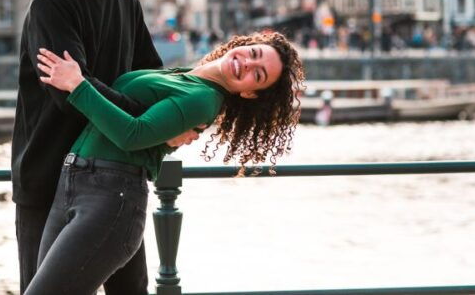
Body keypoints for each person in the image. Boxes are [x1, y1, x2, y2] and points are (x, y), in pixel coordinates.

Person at [12, 0, 199, 294]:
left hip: (114, 181)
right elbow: (70, 97)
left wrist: (170, 114)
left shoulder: (126, 1)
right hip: (48, 179)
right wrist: (149, 124)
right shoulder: (52, 2)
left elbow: (152, 80)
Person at [26, 31, 304, 294]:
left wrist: (77, 85)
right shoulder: (185, 76)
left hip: (109, 200)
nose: (247, 63)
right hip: (76, 183)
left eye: (258, 74)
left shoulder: (203, 99)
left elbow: (133, 135)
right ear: (243, 44)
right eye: (254, 53)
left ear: (250, 93)